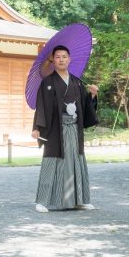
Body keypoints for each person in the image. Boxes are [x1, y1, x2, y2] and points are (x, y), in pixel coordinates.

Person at [31, 45, 99, 212]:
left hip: (74, 129)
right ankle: (42, 201)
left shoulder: (76, 82)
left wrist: (92, 95)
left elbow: (84, 106)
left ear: (69, 59)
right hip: (55, 129)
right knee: (51, 163)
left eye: (64, 56)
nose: (61, 59)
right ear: (53, 60)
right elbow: (41, 106)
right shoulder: (47, 82)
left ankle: (80, 200)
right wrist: (37, 127)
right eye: (58, 57)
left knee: (77, 162)